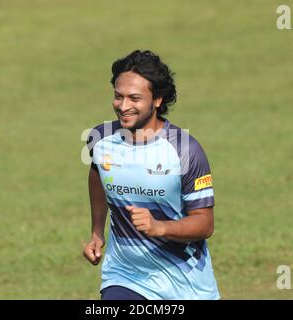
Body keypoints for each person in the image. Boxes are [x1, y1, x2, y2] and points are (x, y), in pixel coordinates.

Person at [83, 50, 220, 300]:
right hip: (125, 276)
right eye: (118, 96)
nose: (123, 106)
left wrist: (159, 227)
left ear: (157, 100)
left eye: (134, 98)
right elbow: (97, 176)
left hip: (185, 284)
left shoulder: (185, 150)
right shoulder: (100, 139)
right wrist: (96, 232)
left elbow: (205, 224)